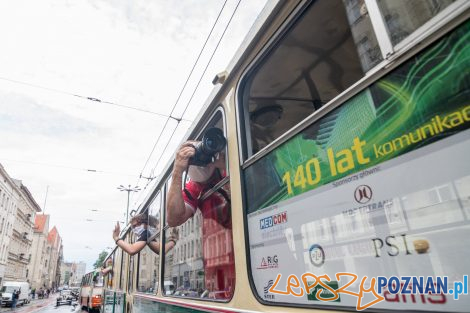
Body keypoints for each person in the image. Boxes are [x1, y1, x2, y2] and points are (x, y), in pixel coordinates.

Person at [166, 140, 234, 296]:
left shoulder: (226, 166)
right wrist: (177, 171)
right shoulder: (193, 186)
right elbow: (173, 219)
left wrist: (227, 163)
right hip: (217, 259)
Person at [112, 213, 178, 255]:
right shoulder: (148, 235)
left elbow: (132, 250)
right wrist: (174, 240)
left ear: (145, 224)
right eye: (133, 227)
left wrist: (116, 238)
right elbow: (161, 250)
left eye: (136, 225)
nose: (134, 230)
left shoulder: (145, 233)